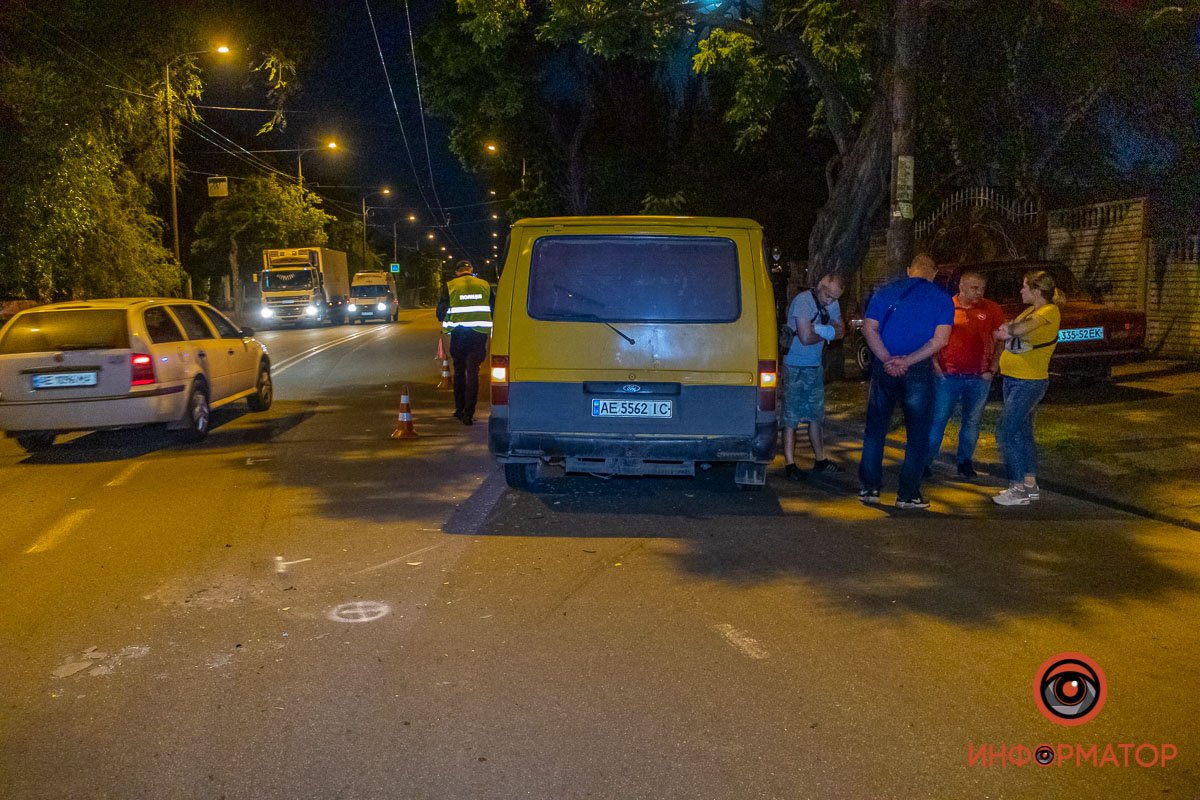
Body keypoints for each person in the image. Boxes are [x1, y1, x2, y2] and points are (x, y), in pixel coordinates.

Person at [857, 253, 954, 509]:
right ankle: (908, 493)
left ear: (910, 269)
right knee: (917, 433)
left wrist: (888, 359)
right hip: (918, 370)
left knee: (876, 429)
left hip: (884, 367)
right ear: (933, 273)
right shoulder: (943, 299)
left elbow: (869, 328)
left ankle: (870, 488)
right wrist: (908, 361)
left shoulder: (884, 292)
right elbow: (939, 340)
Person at [991, 270, 1065, 506]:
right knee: (1022, 434)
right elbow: (1012, 328)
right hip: (1014, 379)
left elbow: (1019, 330)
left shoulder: (1048, 311)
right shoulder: (1029, 311)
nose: (1021, 291)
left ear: (1036, 291)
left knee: (1005, 431)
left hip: (1029, 381)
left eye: (1024, 287)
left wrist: (1008, 330)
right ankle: (1030, 485)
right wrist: (1007, 329)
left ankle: (1017, 487)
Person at [925, 270, 1006, 478]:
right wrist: (936, 366)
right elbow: (932, 338)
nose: (979, 292)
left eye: (982, 288)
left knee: (972, 421)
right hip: (948, 376)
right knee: (939, 419)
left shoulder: (991, 309)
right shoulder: (947, 307)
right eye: (974, 288)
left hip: (979, 377)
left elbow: (1000, 339)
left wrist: (993, 367)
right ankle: (926, 461)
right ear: (961, 287)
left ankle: (965, 461)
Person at [781, 273, 845, 478]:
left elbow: (842, 331)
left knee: (816, 416)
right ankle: (790, 464)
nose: (830, 301)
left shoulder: (832, 303)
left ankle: (820, 459)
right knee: (791, 417)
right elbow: (805, 337)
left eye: (835, 298)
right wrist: (828, 332)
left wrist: (824, 330)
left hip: (814, 366)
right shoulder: (803, 302)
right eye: (827, 295)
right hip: (795, 366)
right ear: (819, 286)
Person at [436, 260, 494, 426]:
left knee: (459, 372)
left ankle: (459, 410)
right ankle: (469, 413)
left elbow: (441, 312)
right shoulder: (484, 285)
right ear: (471, 270)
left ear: (457, 272)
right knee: (473, 373)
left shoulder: (450, 286)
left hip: (459, 334)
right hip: (478, 334)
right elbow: (493, 307)